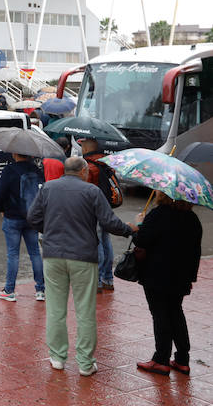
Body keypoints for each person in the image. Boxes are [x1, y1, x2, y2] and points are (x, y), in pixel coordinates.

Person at [27, 157, 138, 376]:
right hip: (83, 256)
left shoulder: (48, 188)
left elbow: (32, 218)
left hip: (53, 256)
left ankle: (58, 357)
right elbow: (109, 222)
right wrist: (129, 229)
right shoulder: (92, 192)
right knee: (85, 311)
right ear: (83, 171)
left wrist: (48, 230)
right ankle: (85, 363)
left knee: (55, 310)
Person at [133, 192, 203, 376]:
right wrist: (191, 278)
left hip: (156, 274)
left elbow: (141, 241)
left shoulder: (158, 214)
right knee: (175, 312)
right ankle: (182, 359)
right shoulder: (193, 219)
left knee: (160, 314)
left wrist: (140, 224)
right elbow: (196, 252)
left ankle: (161, 359)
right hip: (181, 277)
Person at [0, 152, 45, 302]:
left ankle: (9, 290)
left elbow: (1, 193)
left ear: (15, 153)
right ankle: (40, 290)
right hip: (32, 217)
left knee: (13, 254)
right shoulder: (36, 169)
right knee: (35, 252)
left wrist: (1, 208)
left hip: (12, 217)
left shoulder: (9, 170)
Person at [80, 137, 122, 293]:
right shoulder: (107, 163)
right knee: (106, 241)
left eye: (83, 146)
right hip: (107, 209)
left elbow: (85, 190)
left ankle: (96, 281)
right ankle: (108, 279)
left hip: (94, 210)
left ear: (86, 148)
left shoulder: (89, 166)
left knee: (95, 244)